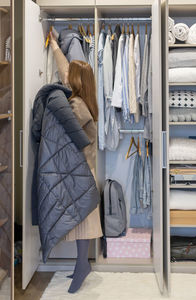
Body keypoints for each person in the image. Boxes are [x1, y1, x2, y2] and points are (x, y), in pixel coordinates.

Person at [50, 33, 103, 293]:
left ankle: (83, 265)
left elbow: (65, 132)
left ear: (77, 81)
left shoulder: (77, 106)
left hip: (80, 173)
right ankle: (81, 263)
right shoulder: (84, 100)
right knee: (81, 221)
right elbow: (64, 71)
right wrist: (54, 46)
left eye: (69, 76)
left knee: (83, 222)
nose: (64, 78)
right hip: (83, 171)